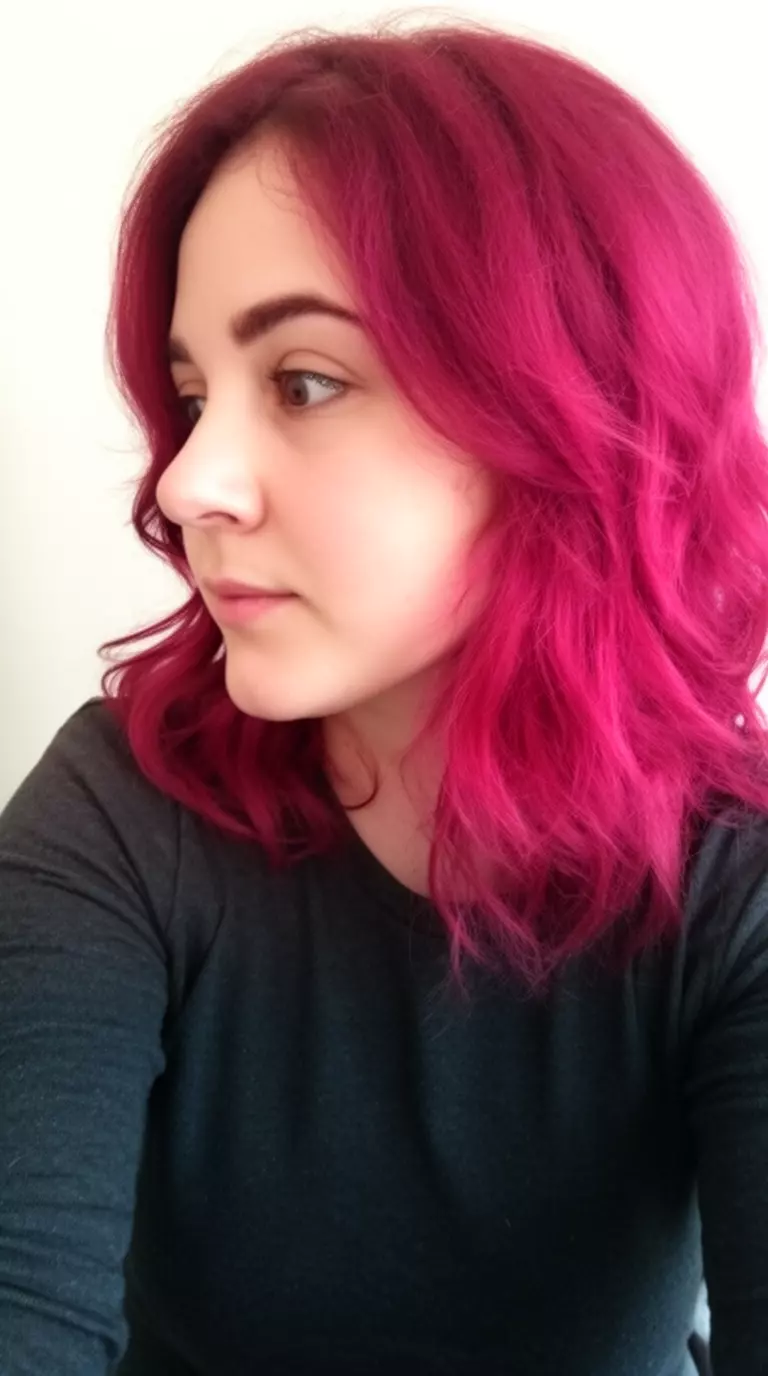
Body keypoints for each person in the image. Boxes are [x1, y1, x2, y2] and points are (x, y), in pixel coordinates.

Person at [2, 12, 767, 1374]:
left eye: (304, 382)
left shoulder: (732, 878)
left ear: (570, 423)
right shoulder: (122, 813)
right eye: (193, 395)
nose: (186, 481)